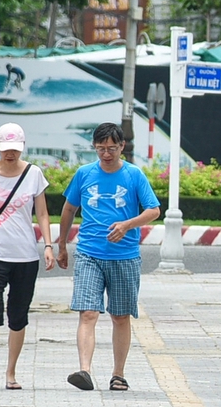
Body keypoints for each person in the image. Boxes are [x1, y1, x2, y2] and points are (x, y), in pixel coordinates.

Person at [57, 121, 160, 391]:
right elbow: (68, 210)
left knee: (120, 315)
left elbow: (154, 210)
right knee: (88, 312)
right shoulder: (84, 173)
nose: (106, 154)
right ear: (94, 147)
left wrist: (127, 225)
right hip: (90, 253)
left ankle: (118, 374)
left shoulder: (134, 175)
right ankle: (84, 371)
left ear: (122, 146)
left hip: (125, 256)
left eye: (112, 148)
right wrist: (62, 244)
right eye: (101, 148)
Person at [0, 122, 54, 391]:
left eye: (15, 150)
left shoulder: (34, 174)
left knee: (18, 315)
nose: (10, 155)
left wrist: (49, 245)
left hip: (25, 256)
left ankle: (11, 373)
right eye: (6, 150)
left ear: (22, 148)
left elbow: (42, 213)